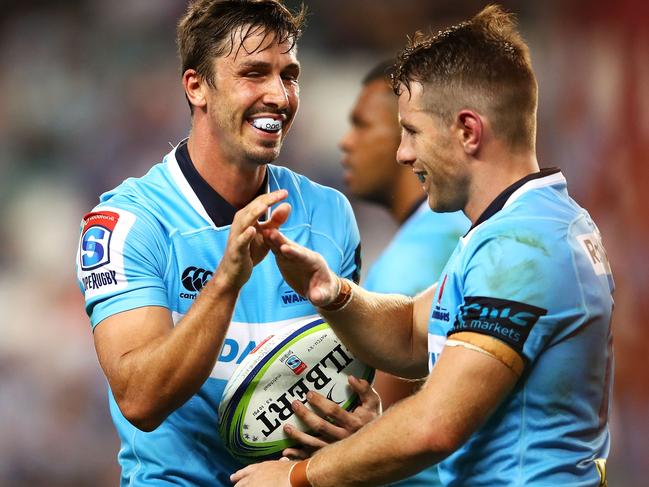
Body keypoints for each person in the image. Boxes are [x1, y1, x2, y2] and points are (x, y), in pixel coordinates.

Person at [232, 5, 615, 487]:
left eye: (412, 131)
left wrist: (296, 477)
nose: (403, 153)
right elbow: (415, 333)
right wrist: (331, 291)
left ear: (468, 132)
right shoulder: (520, 227)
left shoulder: (522, 249)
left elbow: (436, 425)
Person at [75, 1, 373, 485]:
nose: (279, 95)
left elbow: (349, 366)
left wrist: (365, 419)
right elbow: (140, 400)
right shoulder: (125, 222)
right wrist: (228, 280)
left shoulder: (329, 214)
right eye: (254, 73)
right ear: (197, 87)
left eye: (289, 75)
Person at [340, 60, 469, 486]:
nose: (346, 142)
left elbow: (377, 410)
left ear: (408, 134)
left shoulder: (425, 252)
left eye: (361, 125)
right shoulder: (442, 231)